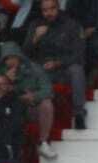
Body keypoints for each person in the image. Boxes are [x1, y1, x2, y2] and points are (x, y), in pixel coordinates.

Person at [27, 0, 87, 130]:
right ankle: (33, 119)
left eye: (52, 9)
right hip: (42, 71)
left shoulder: (71, 25)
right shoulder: (35, 25)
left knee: (77, 69)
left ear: (58, 8)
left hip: (63, 69)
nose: (49, 13)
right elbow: (25, 54)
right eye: (45, 10)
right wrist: (35, 38)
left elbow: (79, 54)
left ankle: (78, 114)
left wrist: (58, 63)